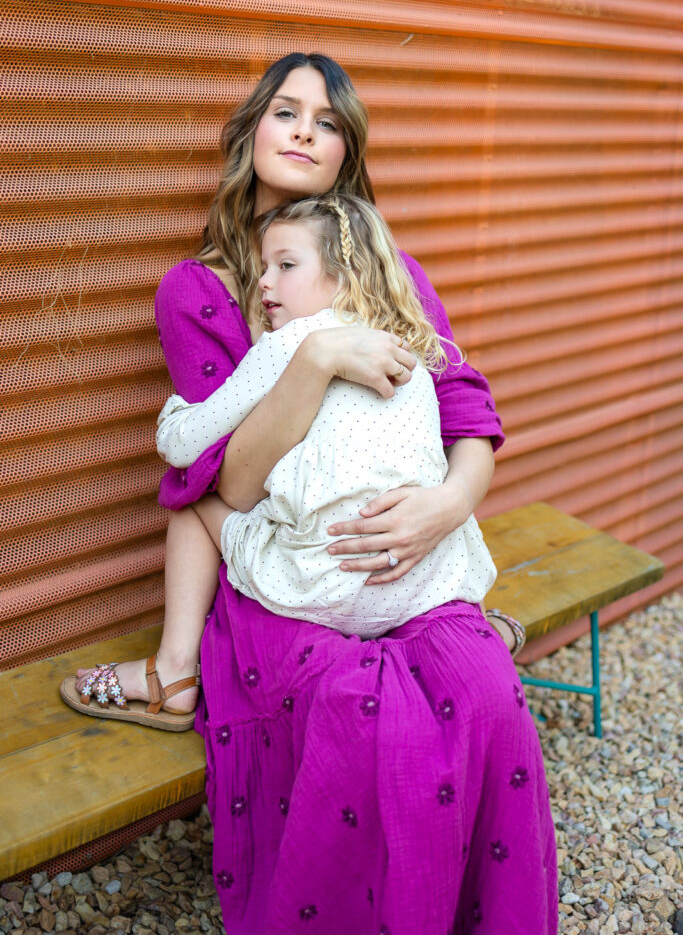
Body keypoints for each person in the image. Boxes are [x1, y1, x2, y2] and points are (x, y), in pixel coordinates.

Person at [62, 53, 556, 933]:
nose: (302, 130)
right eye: (285, 111)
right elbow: (228, 479)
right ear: (252, 130)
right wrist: (318, 357)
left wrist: (446, 508)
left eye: (326, 122)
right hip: (284, 571)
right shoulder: (200, 293)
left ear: (345, 157)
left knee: (488, 699)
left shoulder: (387, 272)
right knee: (362, 716)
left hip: (413, 552)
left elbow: (465, 410)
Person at [156, 193, 498, 639]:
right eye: (263, 267)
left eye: (286, 266)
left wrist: (174, 419)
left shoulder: (288, 340)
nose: (263, 282)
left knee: (191, 491)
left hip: (317, 585)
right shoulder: (408, 343)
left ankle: (173, 665)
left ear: (344, 275)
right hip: (424, 580)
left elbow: (183, 445)